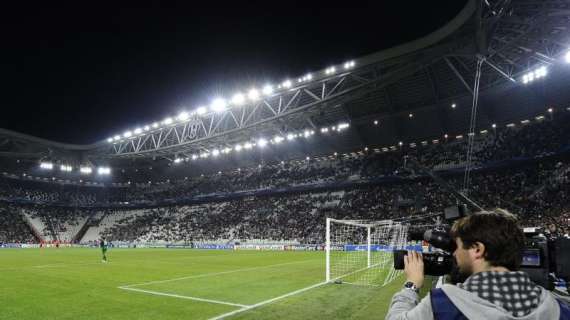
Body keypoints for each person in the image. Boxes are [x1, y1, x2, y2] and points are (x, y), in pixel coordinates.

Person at [386, 208, 570, 320]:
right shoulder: (557, 308)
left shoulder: (445, 303)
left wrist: (411, 285)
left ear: (477, 249)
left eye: (457, 247)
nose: (455, 253)